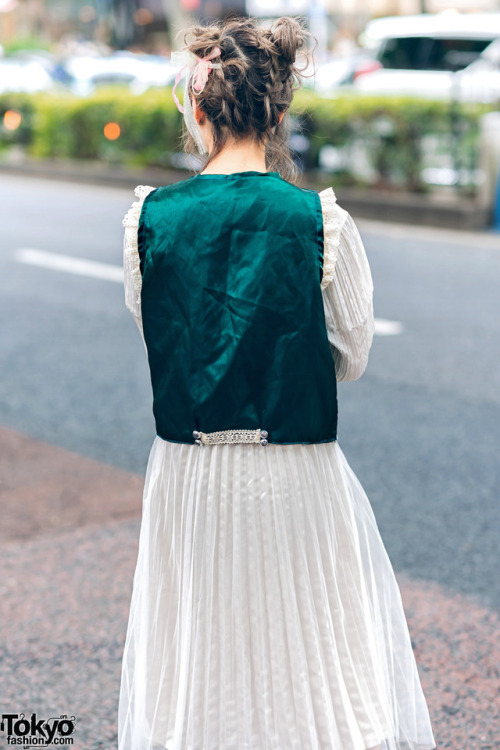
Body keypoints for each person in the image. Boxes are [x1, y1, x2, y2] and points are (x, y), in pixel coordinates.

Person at [117, 15, 437, 750]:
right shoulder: (320, 220)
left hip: (190, 473)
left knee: (199, 653)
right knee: (312, 650)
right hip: (296, 468)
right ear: (278, 114)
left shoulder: (148, 221)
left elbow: (160, 330)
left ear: (198, 109)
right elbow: (351, 356)